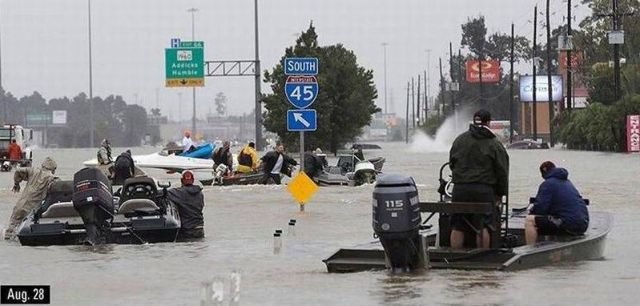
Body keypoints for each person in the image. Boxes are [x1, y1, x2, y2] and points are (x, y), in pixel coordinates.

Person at [448, 109, 509, 249]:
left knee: (458, 225)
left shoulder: (459, 140)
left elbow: (452, 163)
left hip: (460, 189)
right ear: (489, 122)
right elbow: (502, 171)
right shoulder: (494, 144)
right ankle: (482, 256)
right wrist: (500, 193)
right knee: (483, 225)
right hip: (483, 190)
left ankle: (454, 255)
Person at [525, 161, 589, 245]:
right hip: (583, 223)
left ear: (543, 173)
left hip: (568, 223)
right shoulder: (567, 182)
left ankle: (529, 250)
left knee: (530, 220)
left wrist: (531, 212)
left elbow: (540, 209)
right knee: (547, 220)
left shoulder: (547, 184)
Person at [4, 157, 58, 240]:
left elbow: (18, 170)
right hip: (32, 210)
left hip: (20, 205)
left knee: (11, 230)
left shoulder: (33, 170)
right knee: (26, 233)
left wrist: (16, 183)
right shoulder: (50, 177)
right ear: (53, 168)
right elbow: (55, 187)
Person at [166, 171, 205, 240]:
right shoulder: (200, 193)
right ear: (193, 180)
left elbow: (164, 193)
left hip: (187, 230)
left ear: (181, 180)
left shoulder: (179, 193)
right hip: (199, 228)